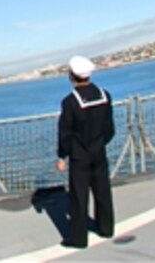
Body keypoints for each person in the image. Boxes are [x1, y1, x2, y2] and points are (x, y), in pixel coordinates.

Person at [56, 55, 115, 248]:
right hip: (99, 151)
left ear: (72, 76)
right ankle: (106, 228)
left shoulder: (70, 102)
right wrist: (100, 143)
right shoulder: (104, 95)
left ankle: (79, 239)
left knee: (79, 197)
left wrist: (62, 155)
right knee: (103, 191)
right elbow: (109, 128)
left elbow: (65, 131)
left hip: (79, 155)